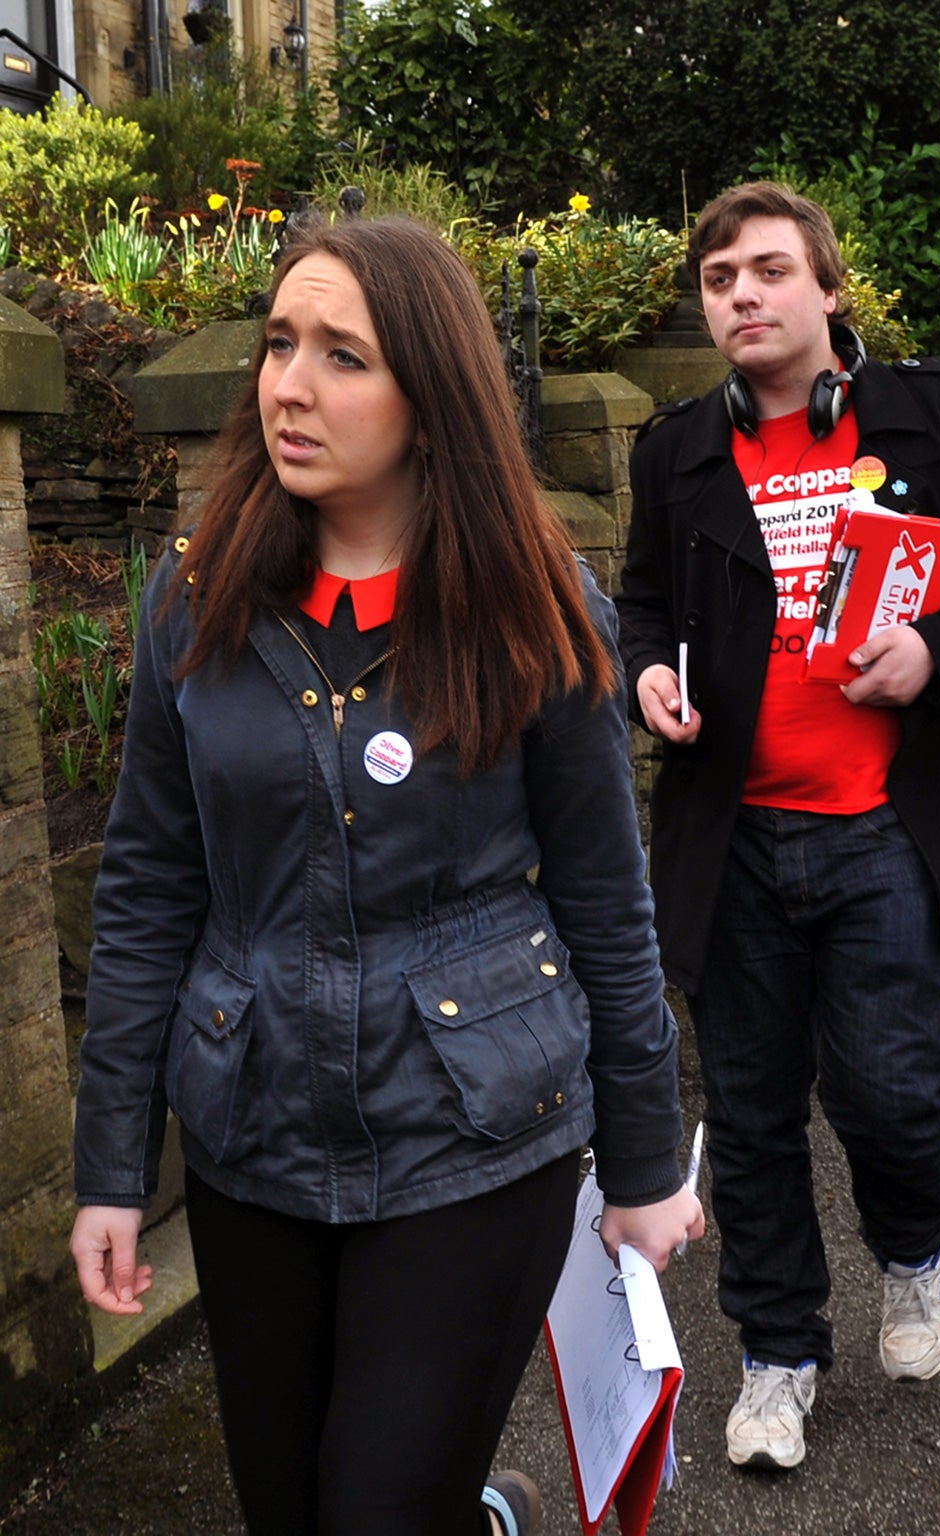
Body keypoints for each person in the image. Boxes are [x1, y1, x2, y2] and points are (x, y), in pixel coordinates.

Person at [67, 217, 704, 1536]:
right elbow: (144, 886)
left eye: (342, 355)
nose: (289, 385)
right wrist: (113, 1167)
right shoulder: (198, 601)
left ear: (431, 393)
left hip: (474, 1141)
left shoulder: (534, 603)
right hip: (252, 1139)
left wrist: (646, 1161)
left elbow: (604, 893)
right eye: (280, 345)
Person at [617, 182, 940, 1472]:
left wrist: (938, 650)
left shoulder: (933, 412)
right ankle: (775, 1354)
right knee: (751, 1114)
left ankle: (913, 1253)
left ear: (826, 288)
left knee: (890, 1093)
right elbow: (645, 608)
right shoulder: (675, 454)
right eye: (718, 279)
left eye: (767, 271)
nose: (741, 296)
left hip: (885, 832)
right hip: (735, 841)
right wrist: (644, 673)